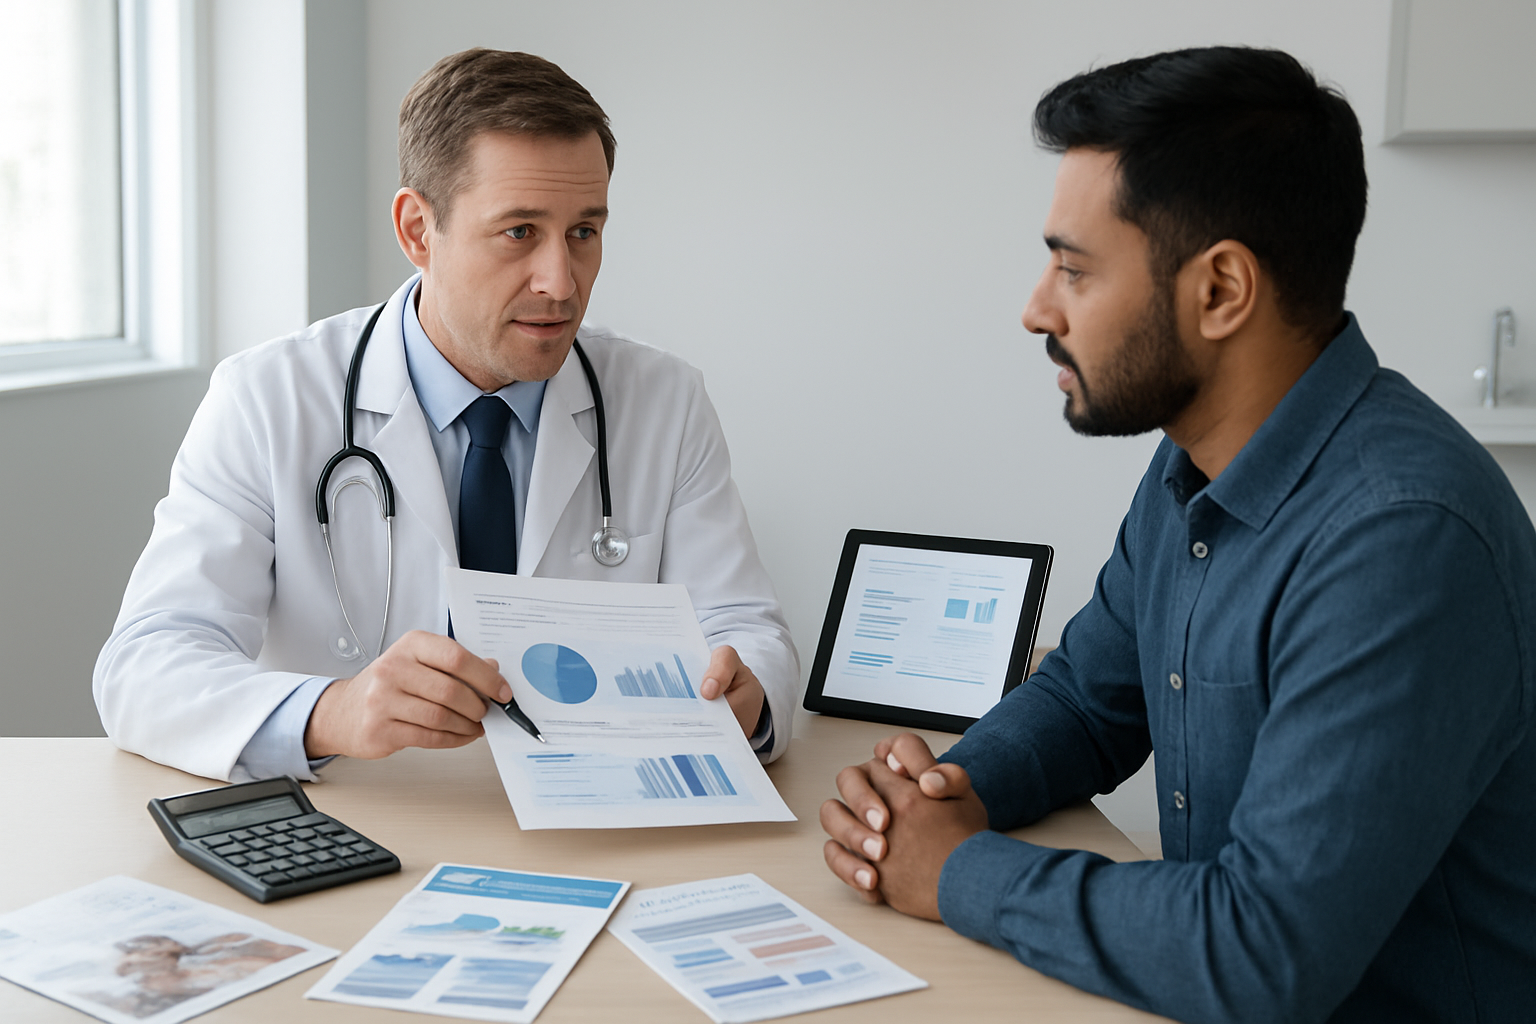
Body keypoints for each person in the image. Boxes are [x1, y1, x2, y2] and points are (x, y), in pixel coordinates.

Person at [820, 46, 1536, 1023]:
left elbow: (1261, 950)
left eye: (1073, 269)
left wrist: (954, 870)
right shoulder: (1196, 462)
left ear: (1221, 291)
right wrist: (949, 791)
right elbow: (1087, 697)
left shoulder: (1402, 538)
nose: (1036, 307)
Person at [94, 49, 797, 783]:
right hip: (360, 825)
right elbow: (146, 666)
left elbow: (748, 633)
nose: (562, 282)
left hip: (597, 818)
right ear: (416, 231)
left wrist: (746, 694)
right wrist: (334, 711)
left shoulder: (665, 400)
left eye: (584, 232)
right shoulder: (266, 400)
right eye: (519, 232)